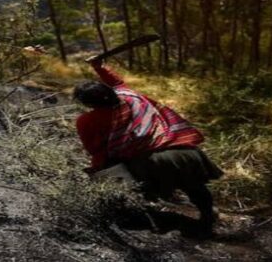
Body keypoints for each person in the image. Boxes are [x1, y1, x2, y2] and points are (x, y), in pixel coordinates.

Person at [74, 58, 223, 233]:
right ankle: (207, 216)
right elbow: (118, 82)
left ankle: (140, 217)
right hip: (184, 151)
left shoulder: (86, 120)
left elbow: (94, 150)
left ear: (88, 103)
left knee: (119, 177)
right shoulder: (131, 97)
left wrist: (101, 169)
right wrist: (99, 67)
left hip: (151, 162)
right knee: (194, 186)